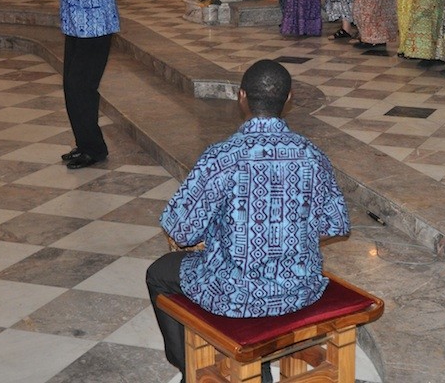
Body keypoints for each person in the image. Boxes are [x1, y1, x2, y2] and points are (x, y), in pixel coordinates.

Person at [146, 59, 350, 383]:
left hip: (236, 295)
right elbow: (334, 224)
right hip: (300, 288)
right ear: (288, 99)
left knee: (158, 273)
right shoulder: (312, 155)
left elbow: (181, 231)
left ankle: (192, 372)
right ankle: (259, 367)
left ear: (241, 97)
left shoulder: (221, 157)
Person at [2, 0, 120, 169]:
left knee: (82, 87)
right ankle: (85, 144)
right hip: (75, 25)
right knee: (72, 86)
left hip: (97, 25)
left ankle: (95, 148)